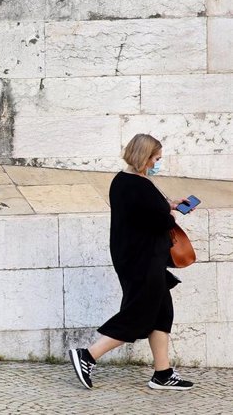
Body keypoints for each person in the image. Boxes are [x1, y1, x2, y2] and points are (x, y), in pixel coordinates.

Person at [69, 134, 193, 390]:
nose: (158, 163)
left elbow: (144, 214)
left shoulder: (126, 181)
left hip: (142, 259)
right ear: (144, 157)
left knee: (161, 313)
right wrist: (170, 214)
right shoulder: (137, 186)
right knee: (139, 314)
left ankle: (162, 373)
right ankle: (88, 355)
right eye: (156, 158)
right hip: (142, 261)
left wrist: (169, 204)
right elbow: (158, 221)